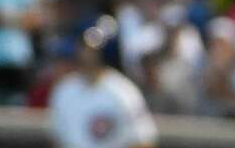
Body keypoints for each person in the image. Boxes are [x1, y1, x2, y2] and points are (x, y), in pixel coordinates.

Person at [49, 17, 158, 148]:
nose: (87, 54)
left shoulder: (123, 91)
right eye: (84, 47)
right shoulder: (65, 89)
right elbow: (58, 140)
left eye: (93, 50)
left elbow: (142, 140)